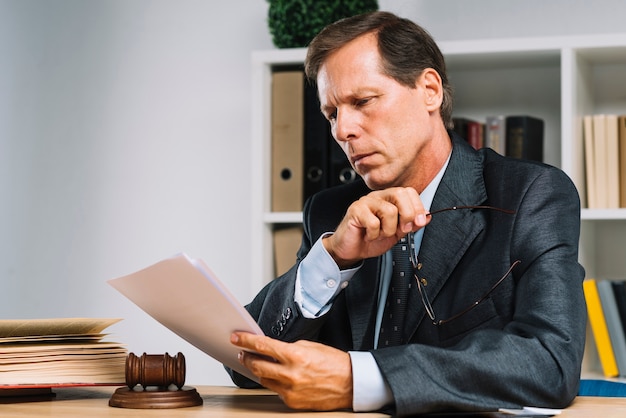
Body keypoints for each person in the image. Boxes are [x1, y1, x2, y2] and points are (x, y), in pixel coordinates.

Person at [226, 11, 586, 416]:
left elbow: (550, 362)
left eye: (362, 101)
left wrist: (357, 379)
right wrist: (333, 258)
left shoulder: (530, 194)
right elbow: (242, 360)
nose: (343, 130)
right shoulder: (329, 211)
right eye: (332, 114)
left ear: (429, 90)